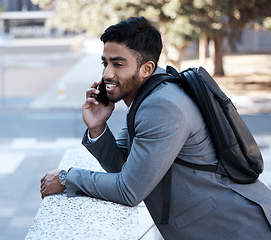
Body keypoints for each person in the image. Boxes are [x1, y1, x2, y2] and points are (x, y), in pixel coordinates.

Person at [40, 16, 271, 239]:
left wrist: (67, 177)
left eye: (118, 64)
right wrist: (98, 127)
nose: (107, 74)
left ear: (146, 68)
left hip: (238, 228)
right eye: (105, 63)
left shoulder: (161, 106)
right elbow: (124, 167)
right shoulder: (149, 95)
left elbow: (128, 190)